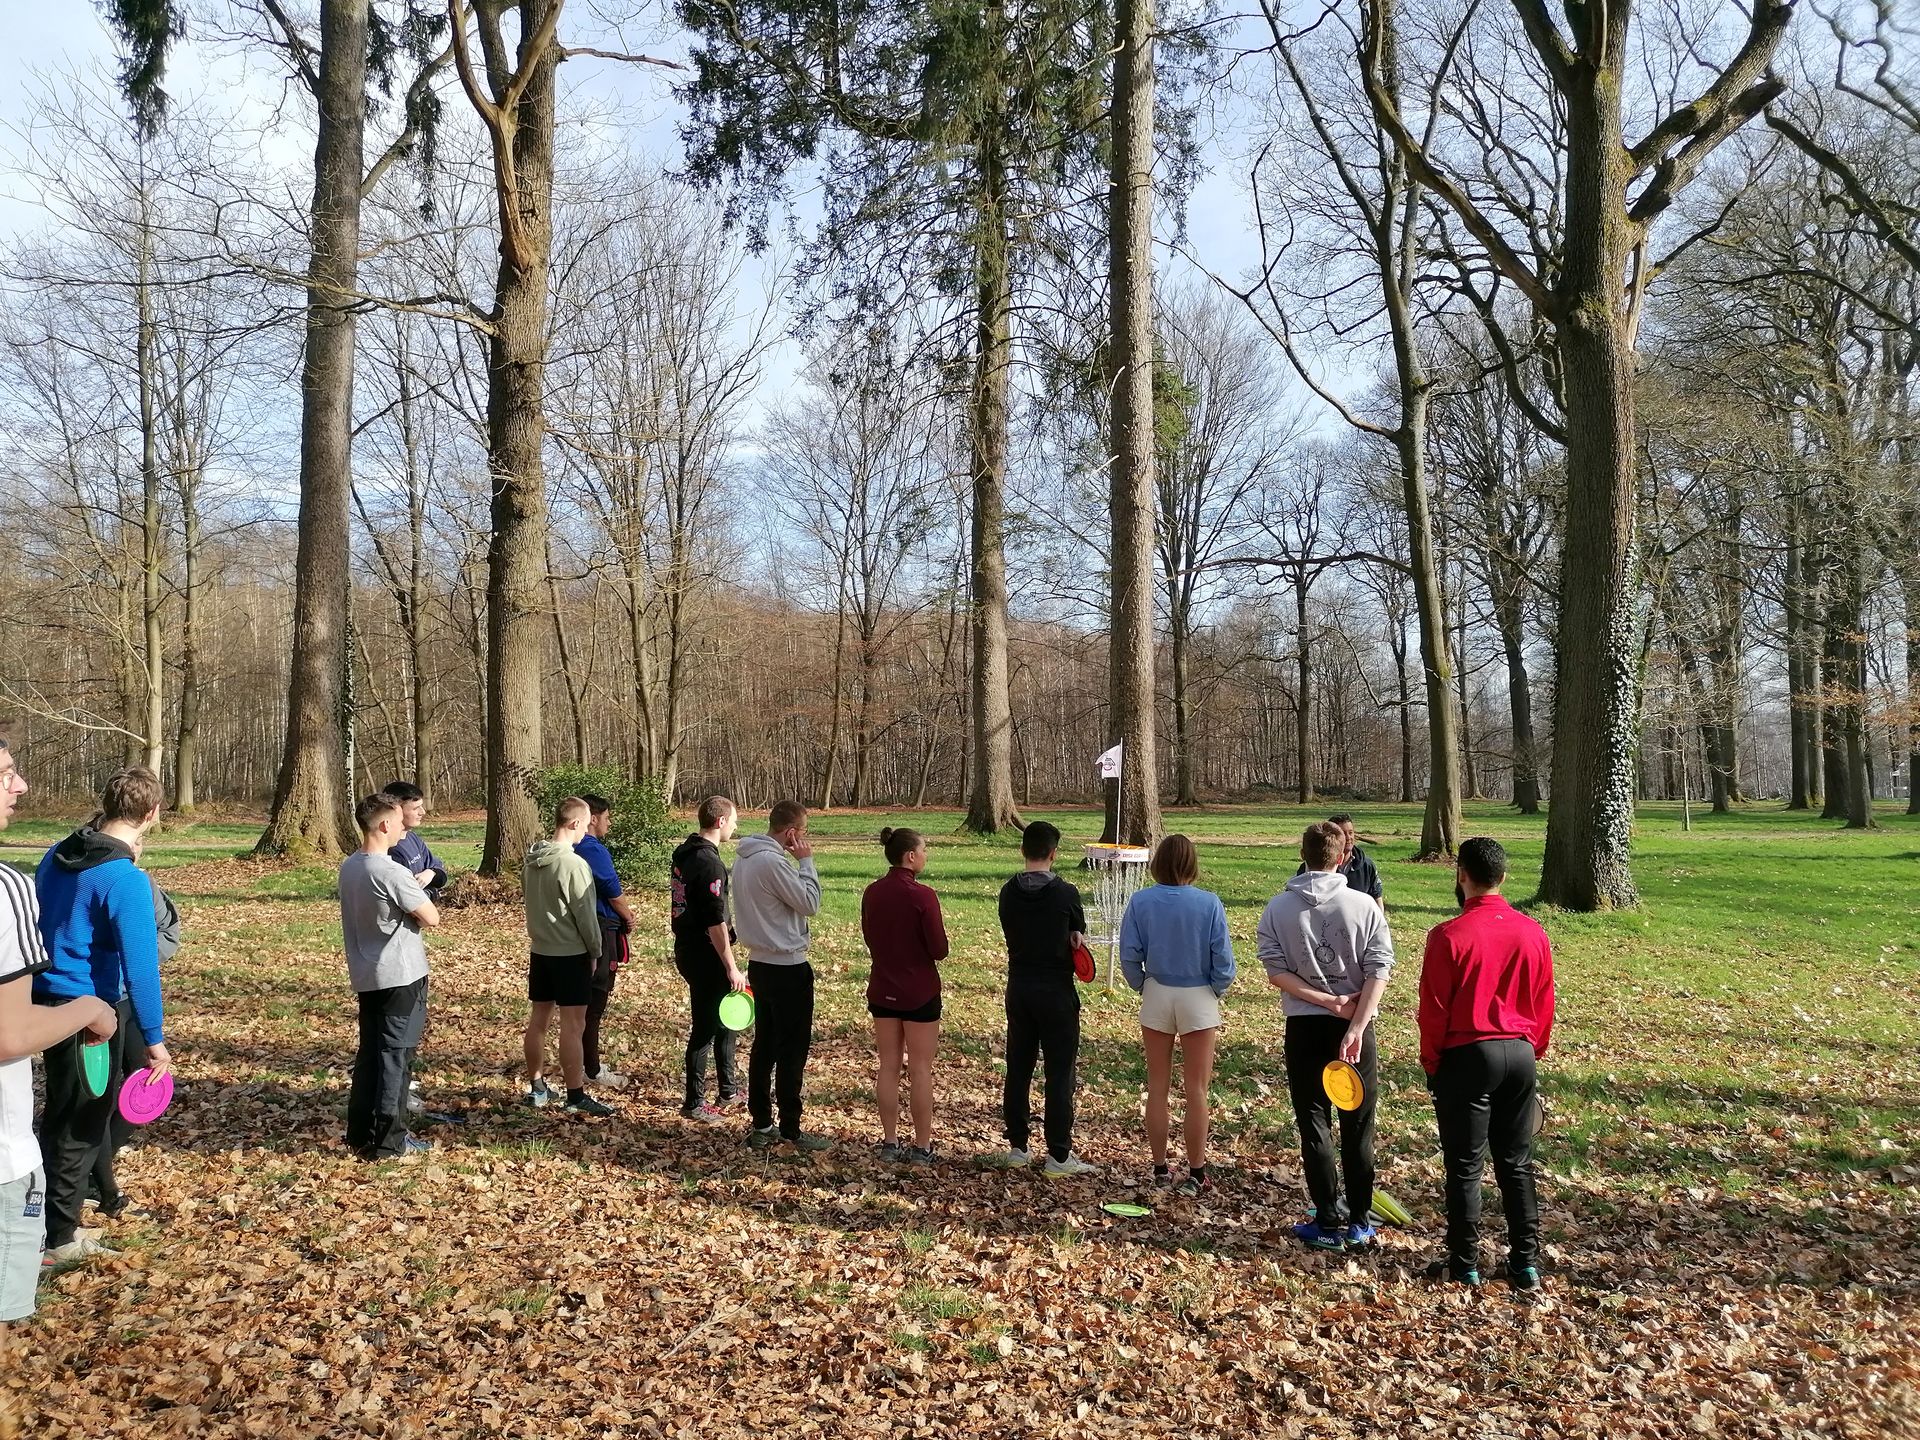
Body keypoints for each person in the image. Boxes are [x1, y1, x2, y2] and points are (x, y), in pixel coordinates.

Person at [33, 766, 170, 1259]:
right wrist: (154, 1039)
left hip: (43, 1000)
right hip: (89, 1014)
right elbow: (142, 967)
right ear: (152, 813)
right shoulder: (124, 880)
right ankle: (58, 1238)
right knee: (82, 1122)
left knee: (62, 1113)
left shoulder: (57, 854)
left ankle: (47, 1222)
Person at [0, 738, 119, 1305]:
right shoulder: (8, 889)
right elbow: (9, 1035)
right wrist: (92, 1009)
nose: (20, 785)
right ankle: (63, 1231)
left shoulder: (49, 860)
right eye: (6, 774)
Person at [1419, 836, 1555, 1292]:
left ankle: (1465, 1263)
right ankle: (1525, 1262)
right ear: (1503, 878)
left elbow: (1434, 1009)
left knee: (1465, 1164)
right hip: (1519, 1051)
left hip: (1468, 1053)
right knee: (1516, 1163)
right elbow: (1544, 1001)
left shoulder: (1448, 935)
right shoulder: (1533, 932)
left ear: (1461, 875)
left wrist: (1432, 1062)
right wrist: (1532, 1049)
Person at [1259, 821, 1396, 1252]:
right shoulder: (1364, 906)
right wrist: (1354, 1023)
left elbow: (1276, 971)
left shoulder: (1278, 908)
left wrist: (1323, 1000)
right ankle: (1358, 1221)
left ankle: (1326, 1220)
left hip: (1305, 1027)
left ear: (1303, 855)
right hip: (1355, 1025)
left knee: (1314, 1123)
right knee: (1358, 1126)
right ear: (1342, 857)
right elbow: (1379, 969)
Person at [1119, 834, 1234, 1194]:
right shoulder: (1209, 903)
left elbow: (1129, 953)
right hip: (1198, 995)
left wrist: (1142, 984)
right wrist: (1215, 988)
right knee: (1196, 1090)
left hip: (1157, 991)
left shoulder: (1141, 901)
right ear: (1191, 863)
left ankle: (1160, 1168)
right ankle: (1197, 1172)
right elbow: (1223, 959)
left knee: (1158, 1087)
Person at [987, 821, 1095, 1177]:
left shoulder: (1007, 892)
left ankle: (1018, 1147)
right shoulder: (1066, 894)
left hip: (1019, 986)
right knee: (1060, 1073)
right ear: (1054, 854)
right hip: (1056, 990)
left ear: (1023, 850)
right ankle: (1059, 1155)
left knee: (1018, 1067)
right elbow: (1077, 935)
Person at [339, 792, 441, 1160]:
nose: (403, 829)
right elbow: (431, 917)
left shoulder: (350, 866)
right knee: (395, 1057)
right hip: (401, 975)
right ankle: (390, 1142)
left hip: (367, 974)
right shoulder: (390, 871)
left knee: (371, 1055)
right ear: (384, 825)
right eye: (399, 822)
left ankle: (360, 1133)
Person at [87, 833, 177, 1221]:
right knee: (99, 1098)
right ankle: (102, 1188)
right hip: (94, 1005)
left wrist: (136, 955)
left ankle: (96, 1165)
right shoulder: (85, 878)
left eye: (139, 842)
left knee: (145, 1084)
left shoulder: (143, 884)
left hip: (130, 1001)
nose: (135, 847)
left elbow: (168, 933)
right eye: (132, 840)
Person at [732, 799, 829, 1152]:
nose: (804, 838)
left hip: (760, 964)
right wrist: (806, 861)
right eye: (803, 832)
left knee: (765, 1046)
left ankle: (761, 1122)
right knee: (791, 1049)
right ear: (790, 833)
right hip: (787, 966)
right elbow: (810, 903)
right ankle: (790, 1128)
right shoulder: (771, 862)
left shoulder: (744, 858)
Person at [521, 798, 614, 1117]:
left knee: (539, 1021)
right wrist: (595, 951)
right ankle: (575, 1095)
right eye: (585, 824)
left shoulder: (531, 861)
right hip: (570, 954)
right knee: (573, 1026)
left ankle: (537, 1087)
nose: (587, 830)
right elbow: (586, 916)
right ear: (574, 823)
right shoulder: (573, 864)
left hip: (541, 950)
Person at [861, 827, 948, 1163]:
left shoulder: (872, 892)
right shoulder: (923, 896)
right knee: (920, 1069)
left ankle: (889, 1141)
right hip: (919, 991)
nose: (926, 855)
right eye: (924, 850)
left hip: (883, 987)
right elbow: (939, 949)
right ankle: (922, 1146)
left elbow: (869, 936)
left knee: (888, 1066)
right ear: (910, 856)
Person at [669, 796, 746, 1121]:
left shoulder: (685, 853)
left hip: (688, 948)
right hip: (704, 954)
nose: (735, 827)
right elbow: (715, 922)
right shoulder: (709, 863)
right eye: (734, 821)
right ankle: (694, 1102)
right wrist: (731, 967)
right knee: (705, 1027)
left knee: (726, 1021)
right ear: (720, 821)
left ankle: (728, 1089)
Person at [576, 794, 639, 1092]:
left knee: (584, 1002)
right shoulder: (592, 849)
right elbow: (612, 889)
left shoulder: (571, 847)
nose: (609, 823)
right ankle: (591, 1068)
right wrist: (628, 916)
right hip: (602, 928)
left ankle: (583, 1062)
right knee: (595, 1000)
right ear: (593, 818)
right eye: (607, 817)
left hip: (582, 929)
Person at [1294, 812, 1384, 908]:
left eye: (1350, 833)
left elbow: (1377, 899)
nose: (1348, 838)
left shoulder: (1366, 866)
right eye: (1343, 834)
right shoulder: (1314, 866)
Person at [384, 781, 448, 898]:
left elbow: (439, 869)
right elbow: (407, 897)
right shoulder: (389, 850)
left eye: (421, 806)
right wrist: (434, 893)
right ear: (397, 811)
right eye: (416, 808)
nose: (422, 812)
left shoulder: (413, 838)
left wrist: (431, 872)